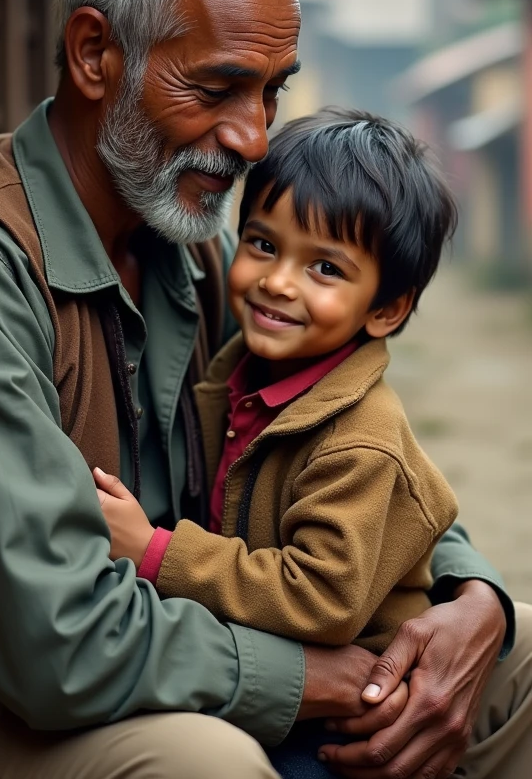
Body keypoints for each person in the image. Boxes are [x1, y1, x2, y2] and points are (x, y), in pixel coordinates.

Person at [0, 0, 529, 779]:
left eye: (274, 89)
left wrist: (471, 591)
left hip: (176, 640)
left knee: (518, 652)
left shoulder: (193, 243)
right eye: (216, 89)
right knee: (204, 764)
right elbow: (57, 649)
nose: (254, 137)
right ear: (95, 54)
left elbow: (337, 439)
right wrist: (312, 679)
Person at [95, 108, 461, 774]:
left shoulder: (360, 441)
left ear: (386, 309)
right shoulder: (236, 377)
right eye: (264, 244)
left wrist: (156, 554)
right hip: (276, 683)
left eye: (324, 267)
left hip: (351, 719)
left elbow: (320, 599)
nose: (279, 281)